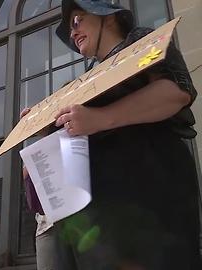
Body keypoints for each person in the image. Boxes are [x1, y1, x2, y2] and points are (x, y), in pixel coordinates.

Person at [46, 0, 201, 269]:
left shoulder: (139, 40)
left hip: (152, 193)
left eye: (77, 20)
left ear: (108, 17)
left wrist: (99, 118)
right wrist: (43, 122)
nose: (73, 32)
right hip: (102, 217)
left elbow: (175, 93)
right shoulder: (83, 82)